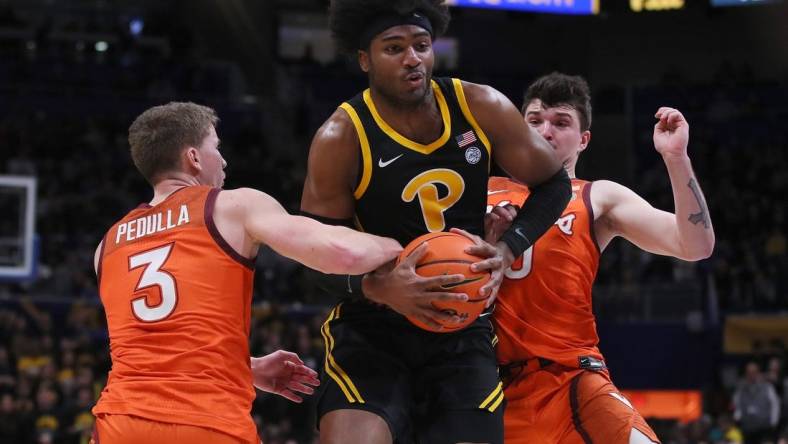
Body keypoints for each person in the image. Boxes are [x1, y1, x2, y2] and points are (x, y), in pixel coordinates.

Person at [300, 1, 572, 443]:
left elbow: (554, 183)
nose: (412, 59)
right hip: (374, 326)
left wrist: (508, 248)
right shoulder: (341, 136)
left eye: (421, 45)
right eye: (394, 48)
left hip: (460, 326)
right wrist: (377, 287)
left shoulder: (479, 105)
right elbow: (311, 255)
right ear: (364, 58)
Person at [90, 102, 403, 444]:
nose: (223, 160)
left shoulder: (108, 244)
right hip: (207, 422)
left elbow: (153, 341)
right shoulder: (230, 206)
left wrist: (246, 368)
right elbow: (341, 254)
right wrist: (406, 245)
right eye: (216, 147)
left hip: (118, 424)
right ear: (193, 158)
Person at [486, 72, 715, 444]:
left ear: (583, 140)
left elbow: (696, 246)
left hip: (571, 380)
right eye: (534, 121)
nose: (546, 132)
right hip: (486, 386)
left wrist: (675, 158)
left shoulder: (597, 196)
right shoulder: (482, 190)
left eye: (561, 123)